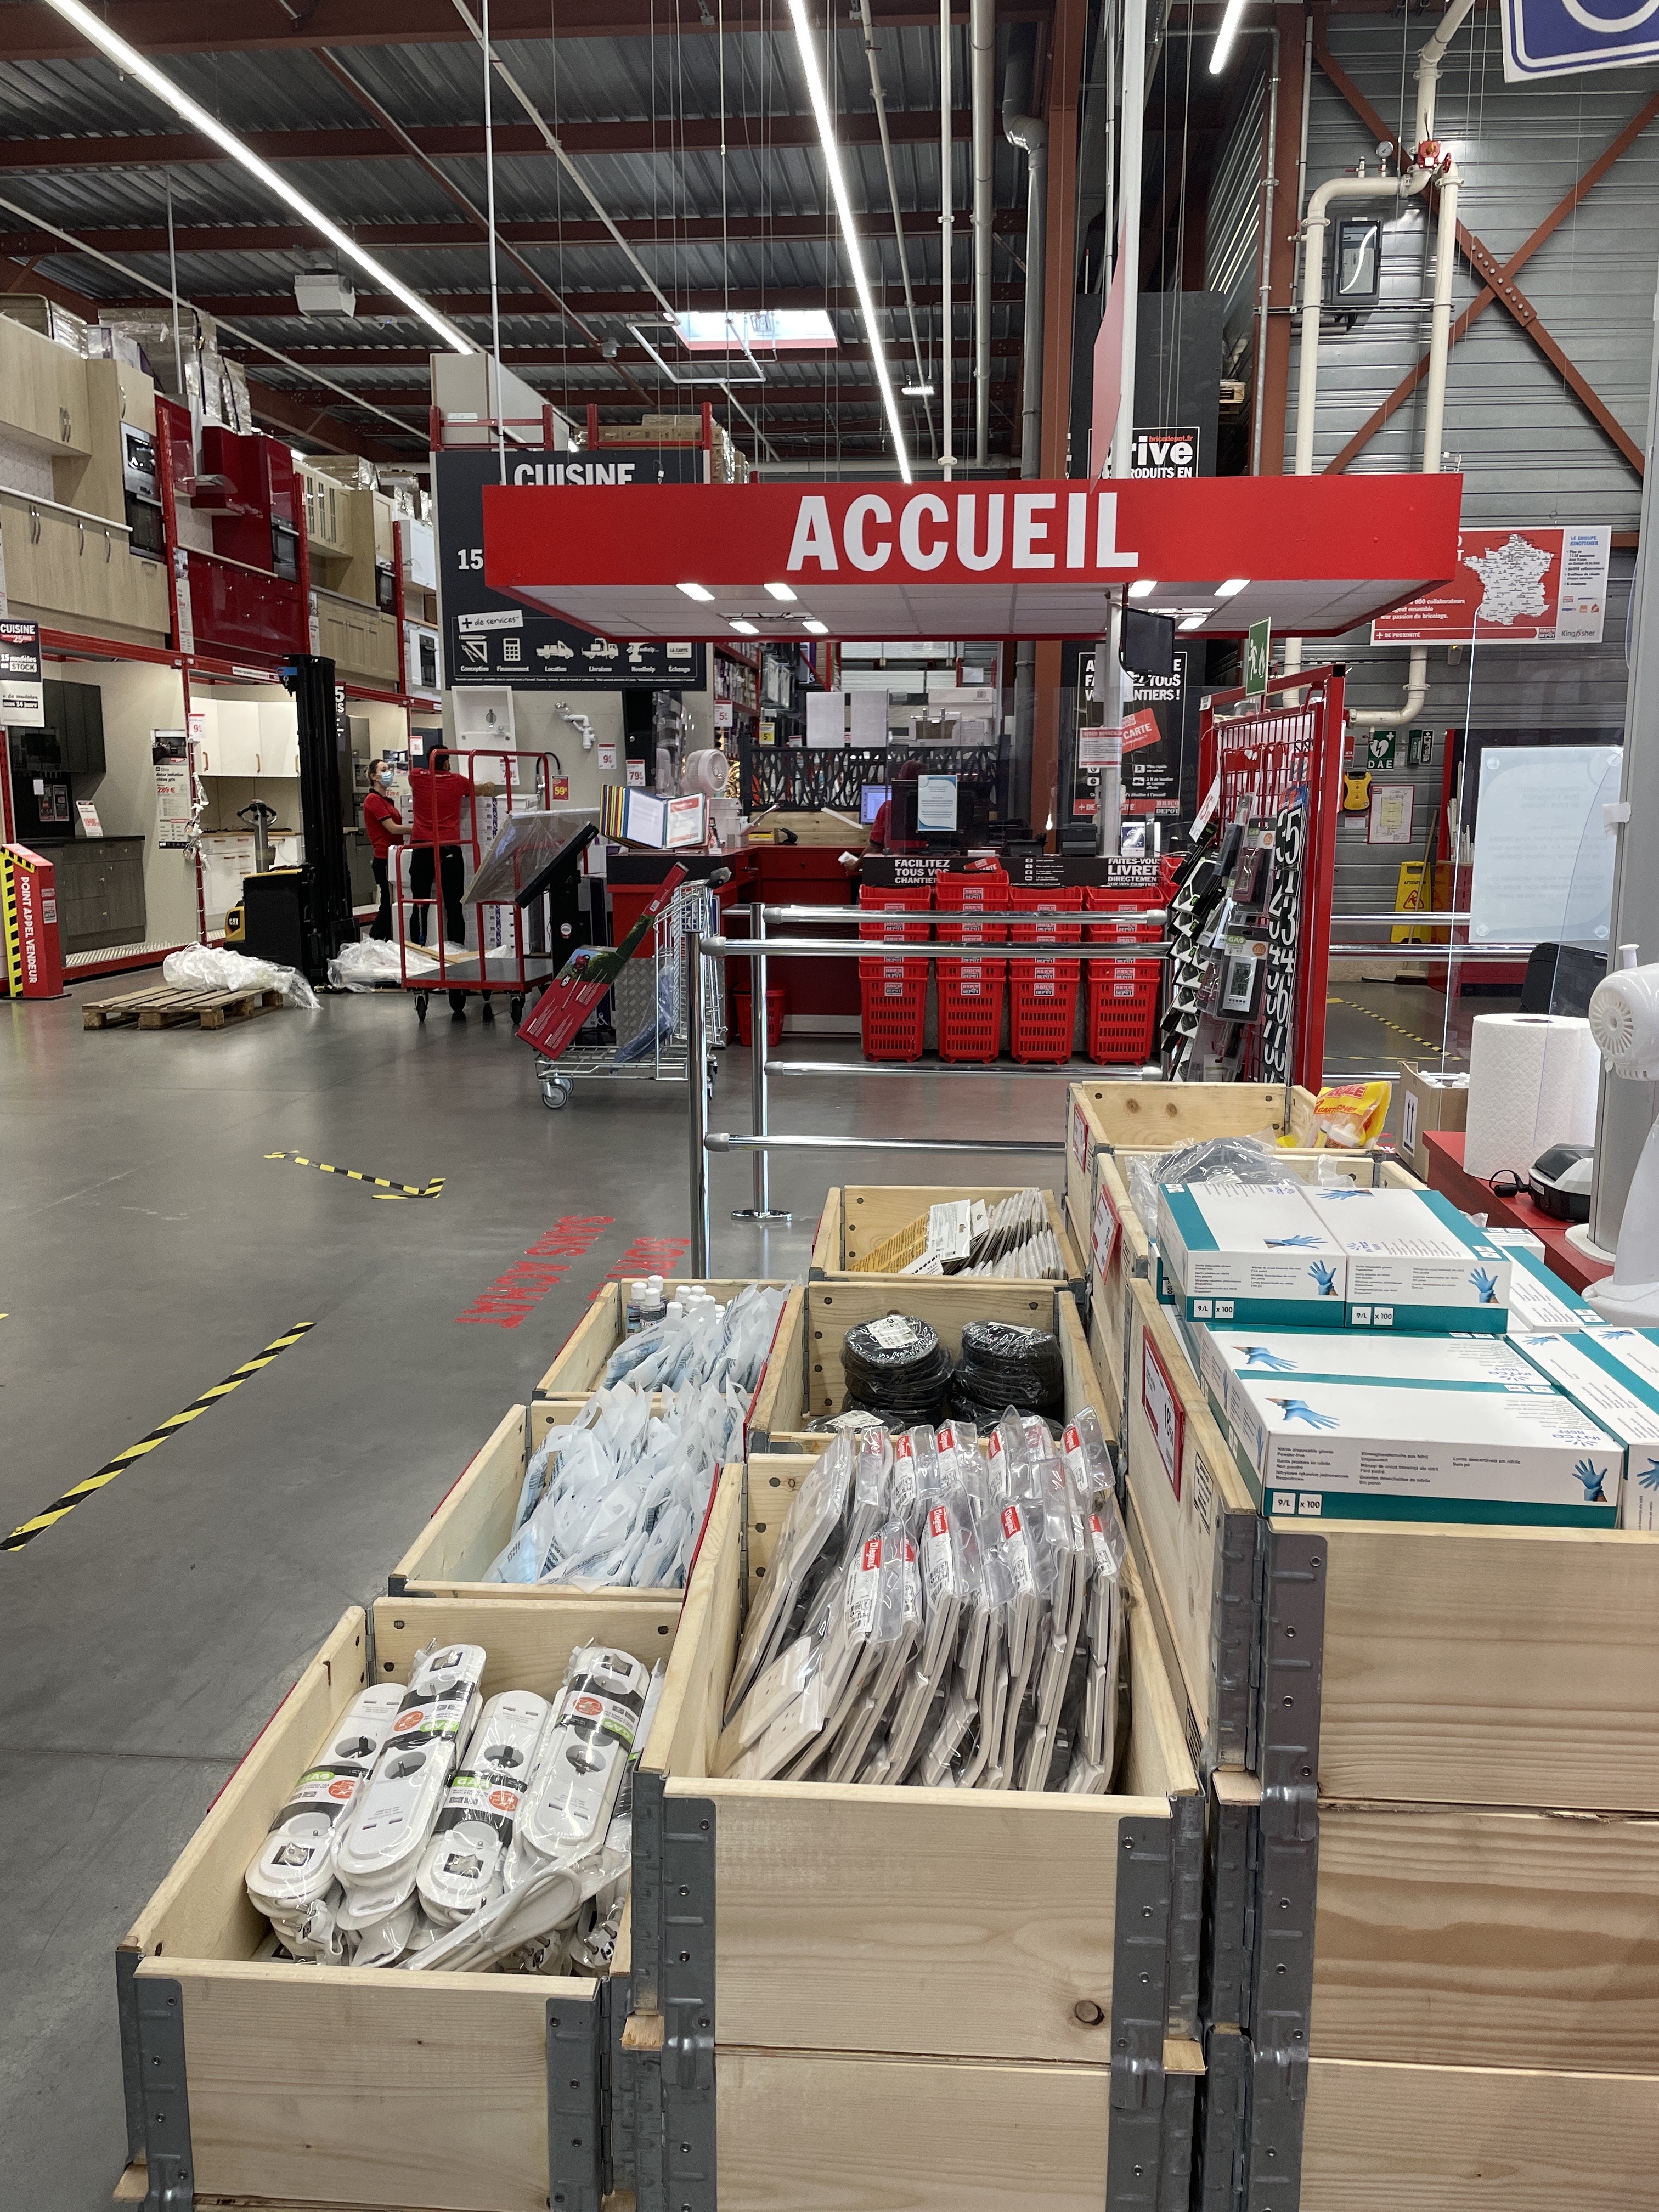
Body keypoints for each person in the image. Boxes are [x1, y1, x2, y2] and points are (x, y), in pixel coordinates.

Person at [407, 744, 500, 1020]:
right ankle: (456, 957)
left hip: (422, 848)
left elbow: (419, 773)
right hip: (450, 848)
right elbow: (483, 790)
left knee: (420, 903)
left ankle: (418, 957)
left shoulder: (416, 777)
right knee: (454, 905)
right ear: (448, 763)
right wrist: (492, 785)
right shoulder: (458, 782)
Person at [360, 758, 403, 940]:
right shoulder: (373, 800)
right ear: (374, 776)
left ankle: (386, 942)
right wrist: (418, 829)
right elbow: (392, 828)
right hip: (384, 858)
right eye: (384, 770)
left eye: (389, 769)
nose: (389, 773)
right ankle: (373, 943)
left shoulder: (386, 801)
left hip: (394, 856)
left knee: (392, 904)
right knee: (387, 905)